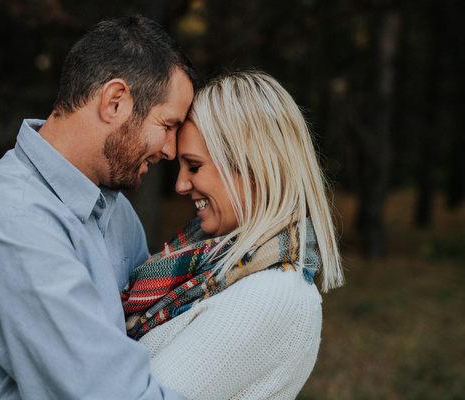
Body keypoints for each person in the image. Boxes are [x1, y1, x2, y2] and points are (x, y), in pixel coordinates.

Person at [0, 15, 196, 400]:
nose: (170, 149)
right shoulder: (12, 220)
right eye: (167, 125)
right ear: (114, 102)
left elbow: (147, 332)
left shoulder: (116, 212)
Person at [120, 70, 345, 399]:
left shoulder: (273, 294)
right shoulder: (213, 265)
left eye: (194, 166)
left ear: (253, 168)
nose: (181, 185)